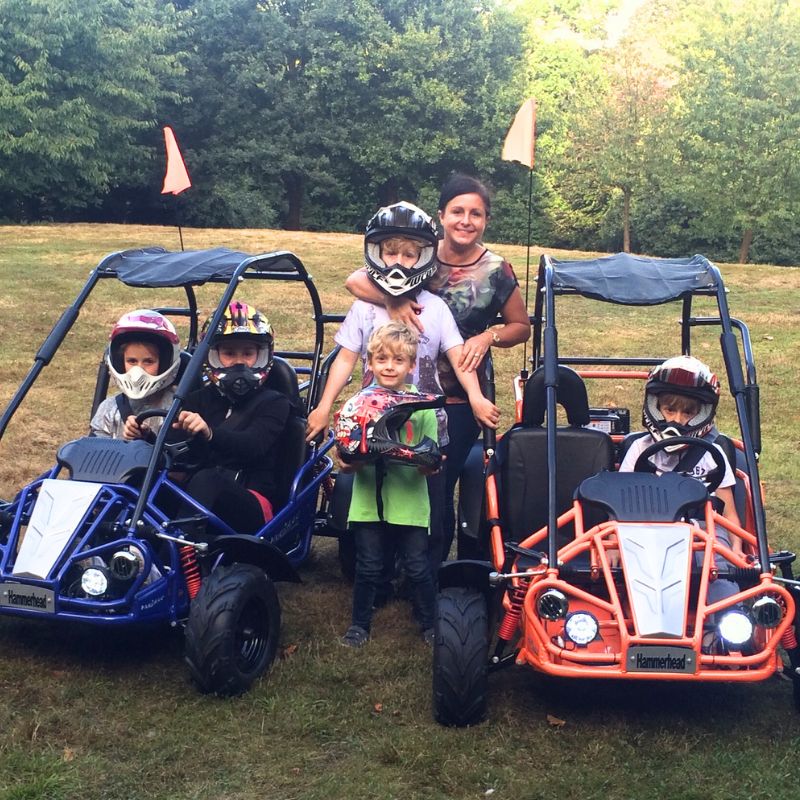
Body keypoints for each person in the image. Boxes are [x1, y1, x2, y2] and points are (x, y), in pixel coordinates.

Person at [306, 200, 499, 575]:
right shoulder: (364, 308)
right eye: (390, 251)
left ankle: (423, 571)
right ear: (375, 253)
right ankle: (367, 569)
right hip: (370, 419)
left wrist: (476, 398)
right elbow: (345, 359)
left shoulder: (436, 308)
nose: (398, 261)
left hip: (423, 421)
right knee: (367, 486)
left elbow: (458, 356)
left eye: (409, 254)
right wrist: (323, 406)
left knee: (430, 493)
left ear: (425, 256)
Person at [345, 175, 531, 563]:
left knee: (437, 480)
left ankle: (429, 568)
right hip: (401, 384)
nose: (466, 220)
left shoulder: (497, 269)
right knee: (390, 468)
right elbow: (355, 280)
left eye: (476, 214)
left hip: (461, 392)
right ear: (441, 216)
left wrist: (488, 337)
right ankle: (384, 560)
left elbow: (521, 326)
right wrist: (391, 302)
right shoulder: (420, 254)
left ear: (486, 220)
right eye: (458, 211)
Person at [618, 355, 742, 649]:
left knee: (717, 562)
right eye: (669, 409)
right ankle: (629, 628)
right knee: (621, 563)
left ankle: (723, 628)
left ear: (702, 415)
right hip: (646, 529)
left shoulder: (713, 454)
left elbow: (730, 515)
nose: (676, 419)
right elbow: (620, 504)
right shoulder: (639, 449)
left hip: (702, 532)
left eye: (688, 413)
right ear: (654, 408)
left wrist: (737, 554)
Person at [338, 322, 439, 647]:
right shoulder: (358, 404)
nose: (390, 366)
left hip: (409, 502)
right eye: (382, 359)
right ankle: (359, 626)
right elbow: (347, 461)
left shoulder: (423, 407)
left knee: (418, 567)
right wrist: (353, 457)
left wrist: (427, 462)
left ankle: (430, 623)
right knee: (367, 566)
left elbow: (431, 461)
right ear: (370, 363)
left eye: (398, 360)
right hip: (368, 501)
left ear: (411, 365)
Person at [171, 301, 290, 533]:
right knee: (146, 479)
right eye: (229, 353)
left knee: (208, 479)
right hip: (200, 496)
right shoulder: (197, 400)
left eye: (248, 353)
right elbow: (174, 450)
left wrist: (210, 433)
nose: (239, 362)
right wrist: (145, 436)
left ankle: (178, 551)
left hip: (252, 500)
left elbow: (253, 445)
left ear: (263, 355)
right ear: (212, 356)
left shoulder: (275, 403)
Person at [90, 309, 181, 441]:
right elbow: (93, 452)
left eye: (148, 361)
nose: (138, 371)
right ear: (120, 362)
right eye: (132, 361)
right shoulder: (109, 409)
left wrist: (146, 437)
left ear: (164, 364)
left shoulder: (175, 408)